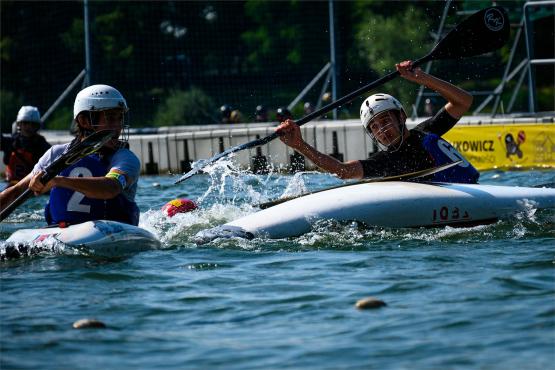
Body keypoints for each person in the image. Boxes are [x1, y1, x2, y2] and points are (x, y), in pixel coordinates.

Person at [275, 60, 479, 183]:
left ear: (401, 116)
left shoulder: (427, 130)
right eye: (375, 127)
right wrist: (299, 145)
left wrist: (422, 78)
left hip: (472, 192)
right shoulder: (386, 161)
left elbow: (464, 101)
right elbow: (342, 171)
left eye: (385, 120)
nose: (382, 130)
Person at [0, 84, 141, 226]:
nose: (117, 127)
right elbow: (16, 191)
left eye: (120, 119)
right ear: (84, 121)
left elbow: (111, 187)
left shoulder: (125, 158)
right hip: (60, 231)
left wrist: (58, 181)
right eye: (110, 118)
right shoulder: (56, 154)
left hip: (116, 233)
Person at [2, 106, 51, 187]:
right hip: (9, 185)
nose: (29, 127)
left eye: (33, 124)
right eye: (25, 123)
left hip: (30, 188)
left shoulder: (43, 146)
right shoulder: (10, 141)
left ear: (37, 126)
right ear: (19, 124)